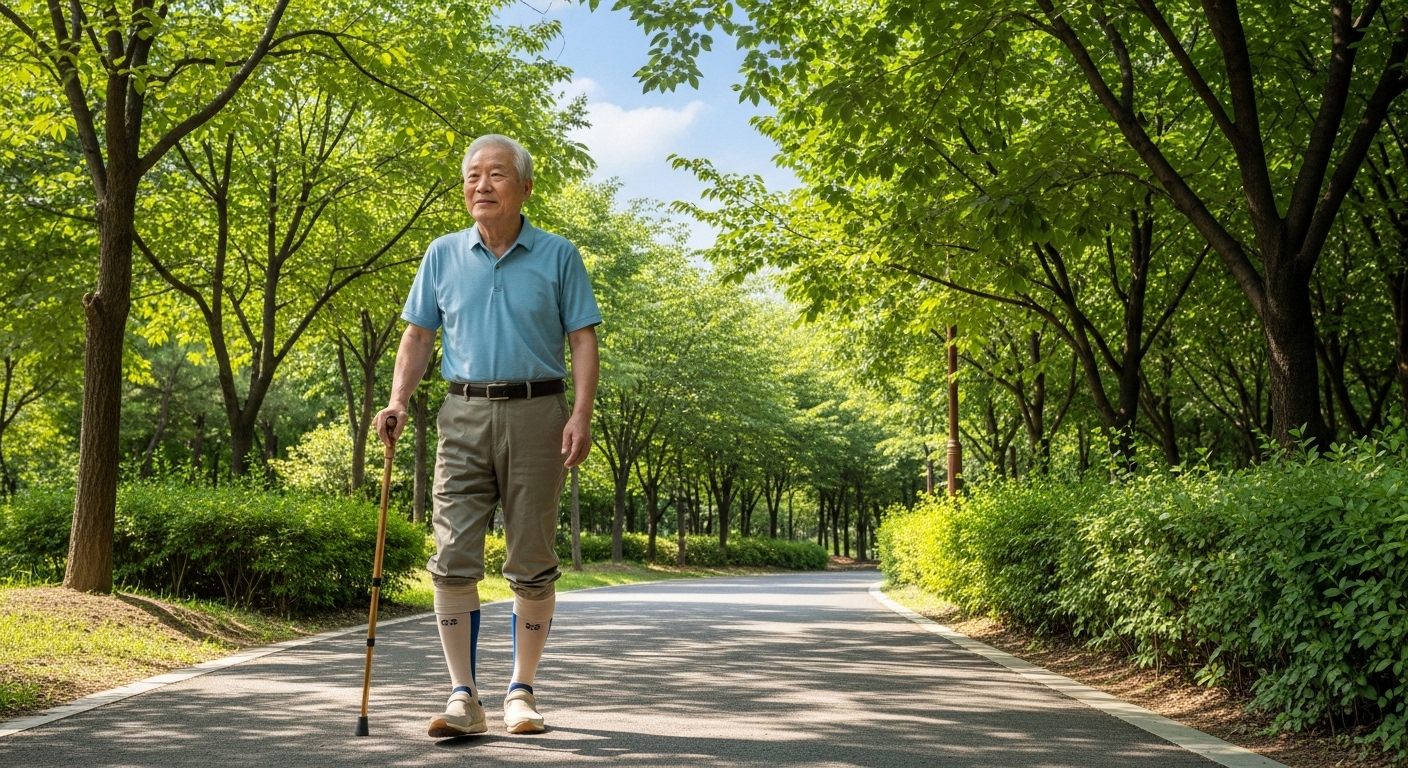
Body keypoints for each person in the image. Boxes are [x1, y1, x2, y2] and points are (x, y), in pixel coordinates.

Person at [374, 134, 601, 738]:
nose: (482, 185)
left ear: (525, 187)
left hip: (539, 412)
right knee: (452, 556)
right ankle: (463, 697)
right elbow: (418, 335)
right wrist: (398, 400)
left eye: (496, 174)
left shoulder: (559, 255)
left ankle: (521, 691)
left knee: (531, 557)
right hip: (463, 413)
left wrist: (580, 414)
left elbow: (582, 338)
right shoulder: (442, 254)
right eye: (473, 175)